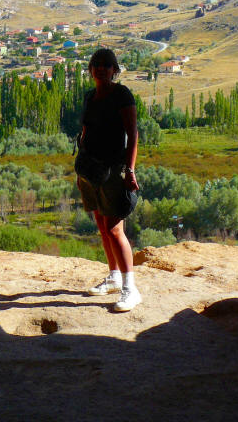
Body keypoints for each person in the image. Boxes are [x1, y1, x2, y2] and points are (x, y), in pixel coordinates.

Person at [77, 48, 141, 312]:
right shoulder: (90, 96)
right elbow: (85, 130)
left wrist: (130, 170)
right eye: (97, 65)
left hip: (114, 170)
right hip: (91, 170)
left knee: (115, 228)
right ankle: (114, 277)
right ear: (91, 69)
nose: (101, 69)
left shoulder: (122, 95)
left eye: (107, 65)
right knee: (102, 225)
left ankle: (130, 289)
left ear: (115, 69)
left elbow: (132, 134)